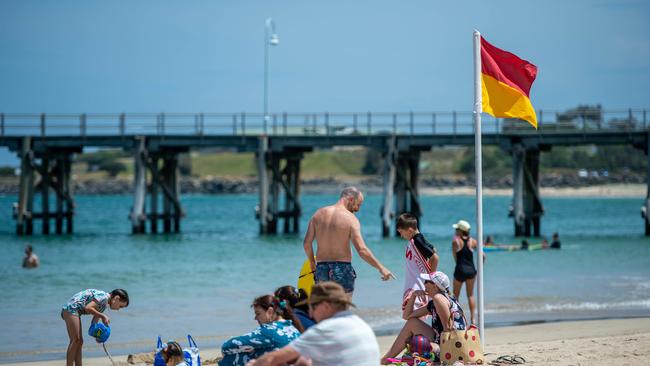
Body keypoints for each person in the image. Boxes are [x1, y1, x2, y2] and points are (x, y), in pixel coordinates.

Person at [247, 281, 380, 366]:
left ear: (326, 306)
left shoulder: (326, 329)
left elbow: (272, 359)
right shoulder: (361, 324)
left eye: (312, 307)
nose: (310, 314)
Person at [302, 186, 394, 295]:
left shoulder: (318, 214)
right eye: (358, 204)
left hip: (321, 268)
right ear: (351, 199)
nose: (358, 209)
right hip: (342, 269)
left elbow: (307, 243)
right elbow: (362, 250)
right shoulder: (350, 218)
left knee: (324, 308)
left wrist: (312, 262)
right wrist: (381, 268)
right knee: (342, 308)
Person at [381, 272, 466, 364]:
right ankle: (386, 359)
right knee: (412, 323)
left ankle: (386, 359)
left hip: (453, 345)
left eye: (426, 281)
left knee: (419, 347)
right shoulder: (438, 300)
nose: (424, 283)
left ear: (435, 286)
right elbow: (407, 316)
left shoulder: (439, 299)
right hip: (442, 339)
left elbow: (448, 329)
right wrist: (413, 296)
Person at [219, 295, 301, 366]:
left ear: (270, 311)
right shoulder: (293, 328)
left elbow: (227, 346)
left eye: (258, 313)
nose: (255, 318)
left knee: (232, 357)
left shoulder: (268, 330)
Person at [61, 288, 129, 366]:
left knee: (79, 342)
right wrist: (103, 316)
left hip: (75, 311)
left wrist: (99, 335)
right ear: (117, 298)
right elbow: (88, 308)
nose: (119, 309)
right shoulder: (103, 297)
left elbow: (93, 325)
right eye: (120, 306)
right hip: (71, 308)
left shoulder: (104, 306)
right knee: (75, 340)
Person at [396, 212, 439, 317]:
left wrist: (430, 278)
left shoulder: (417, 241)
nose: (401, 235)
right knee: (411, 319)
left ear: (410, 230)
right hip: (415, 284)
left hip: (417, 286)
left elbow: (435, 257)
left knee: (411, 318)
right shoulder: (418, 239)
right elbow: (433, 249)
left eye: (401, 232)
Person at [451, 219, 482, 325]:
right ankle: (473, 319)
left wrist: (460, 266)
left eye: (457, 229)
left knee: (455, 297)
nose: (455, 230)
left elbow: (455, 258)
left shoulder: (456, 241)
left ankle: (457, 318)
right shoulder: (473, 241)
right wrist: (480, 268)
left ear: (461, 231)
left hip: (460, 270)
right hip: (471, 271)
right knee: (470, 295)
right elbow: (483, 256)